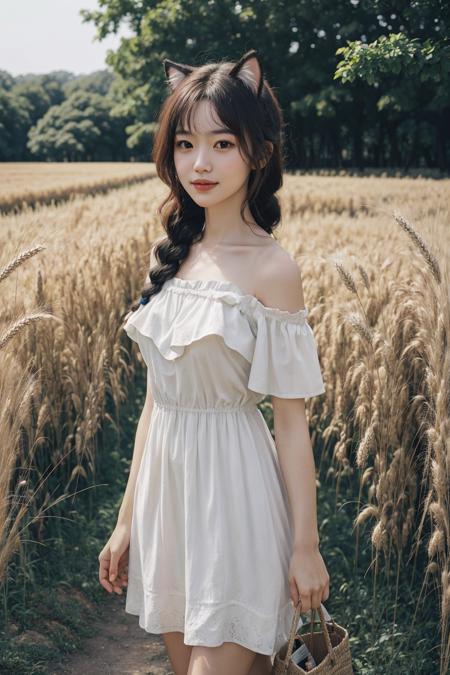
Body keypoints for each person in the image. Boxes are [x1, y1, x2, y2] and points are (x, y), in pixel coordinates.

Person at [98, 48, 330, 675]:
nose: (200, 163)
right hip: (167, 501)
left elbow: (290, 423)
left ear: (258, 150)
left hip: (237, 500)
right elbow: (156, 402)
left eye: (222, 143)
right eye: (184, 144)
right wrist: (126, 522)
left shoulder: (273, 269)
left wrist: (305, 547)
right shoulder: (172, 253)